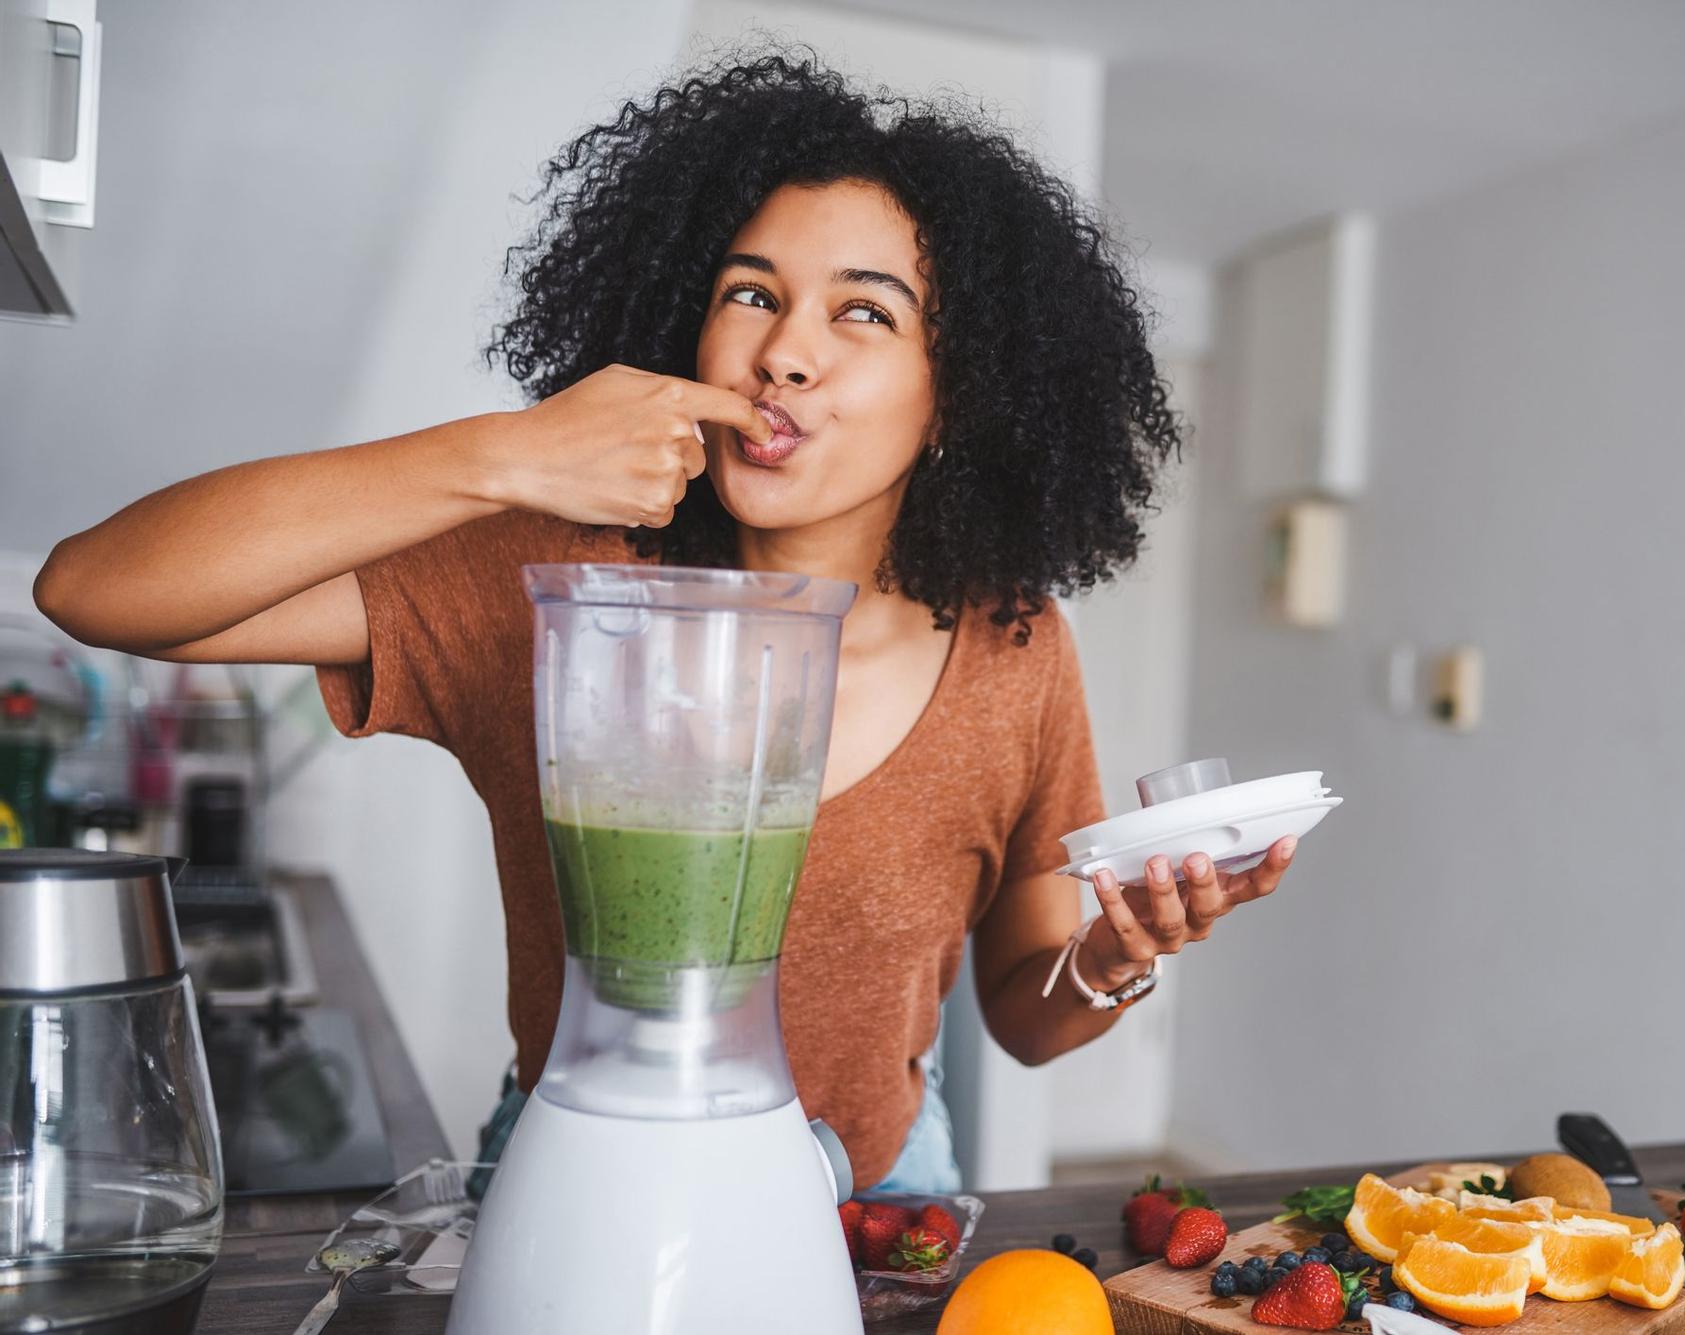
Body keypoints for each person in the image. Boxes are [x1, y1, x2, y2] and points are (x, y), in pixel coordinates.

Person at [34, 49, 1299, 1194]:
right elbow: (96, 589)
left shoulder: (1011, 648)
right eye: (751, 293)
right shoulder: (552, 583)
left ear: (956, 392)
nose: (782, 353)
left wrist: (1118, 955)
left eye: (862, 311)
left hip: (880, 1211)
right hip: (577, 1180)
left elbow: (1027, 1021)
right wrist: (506, 455)